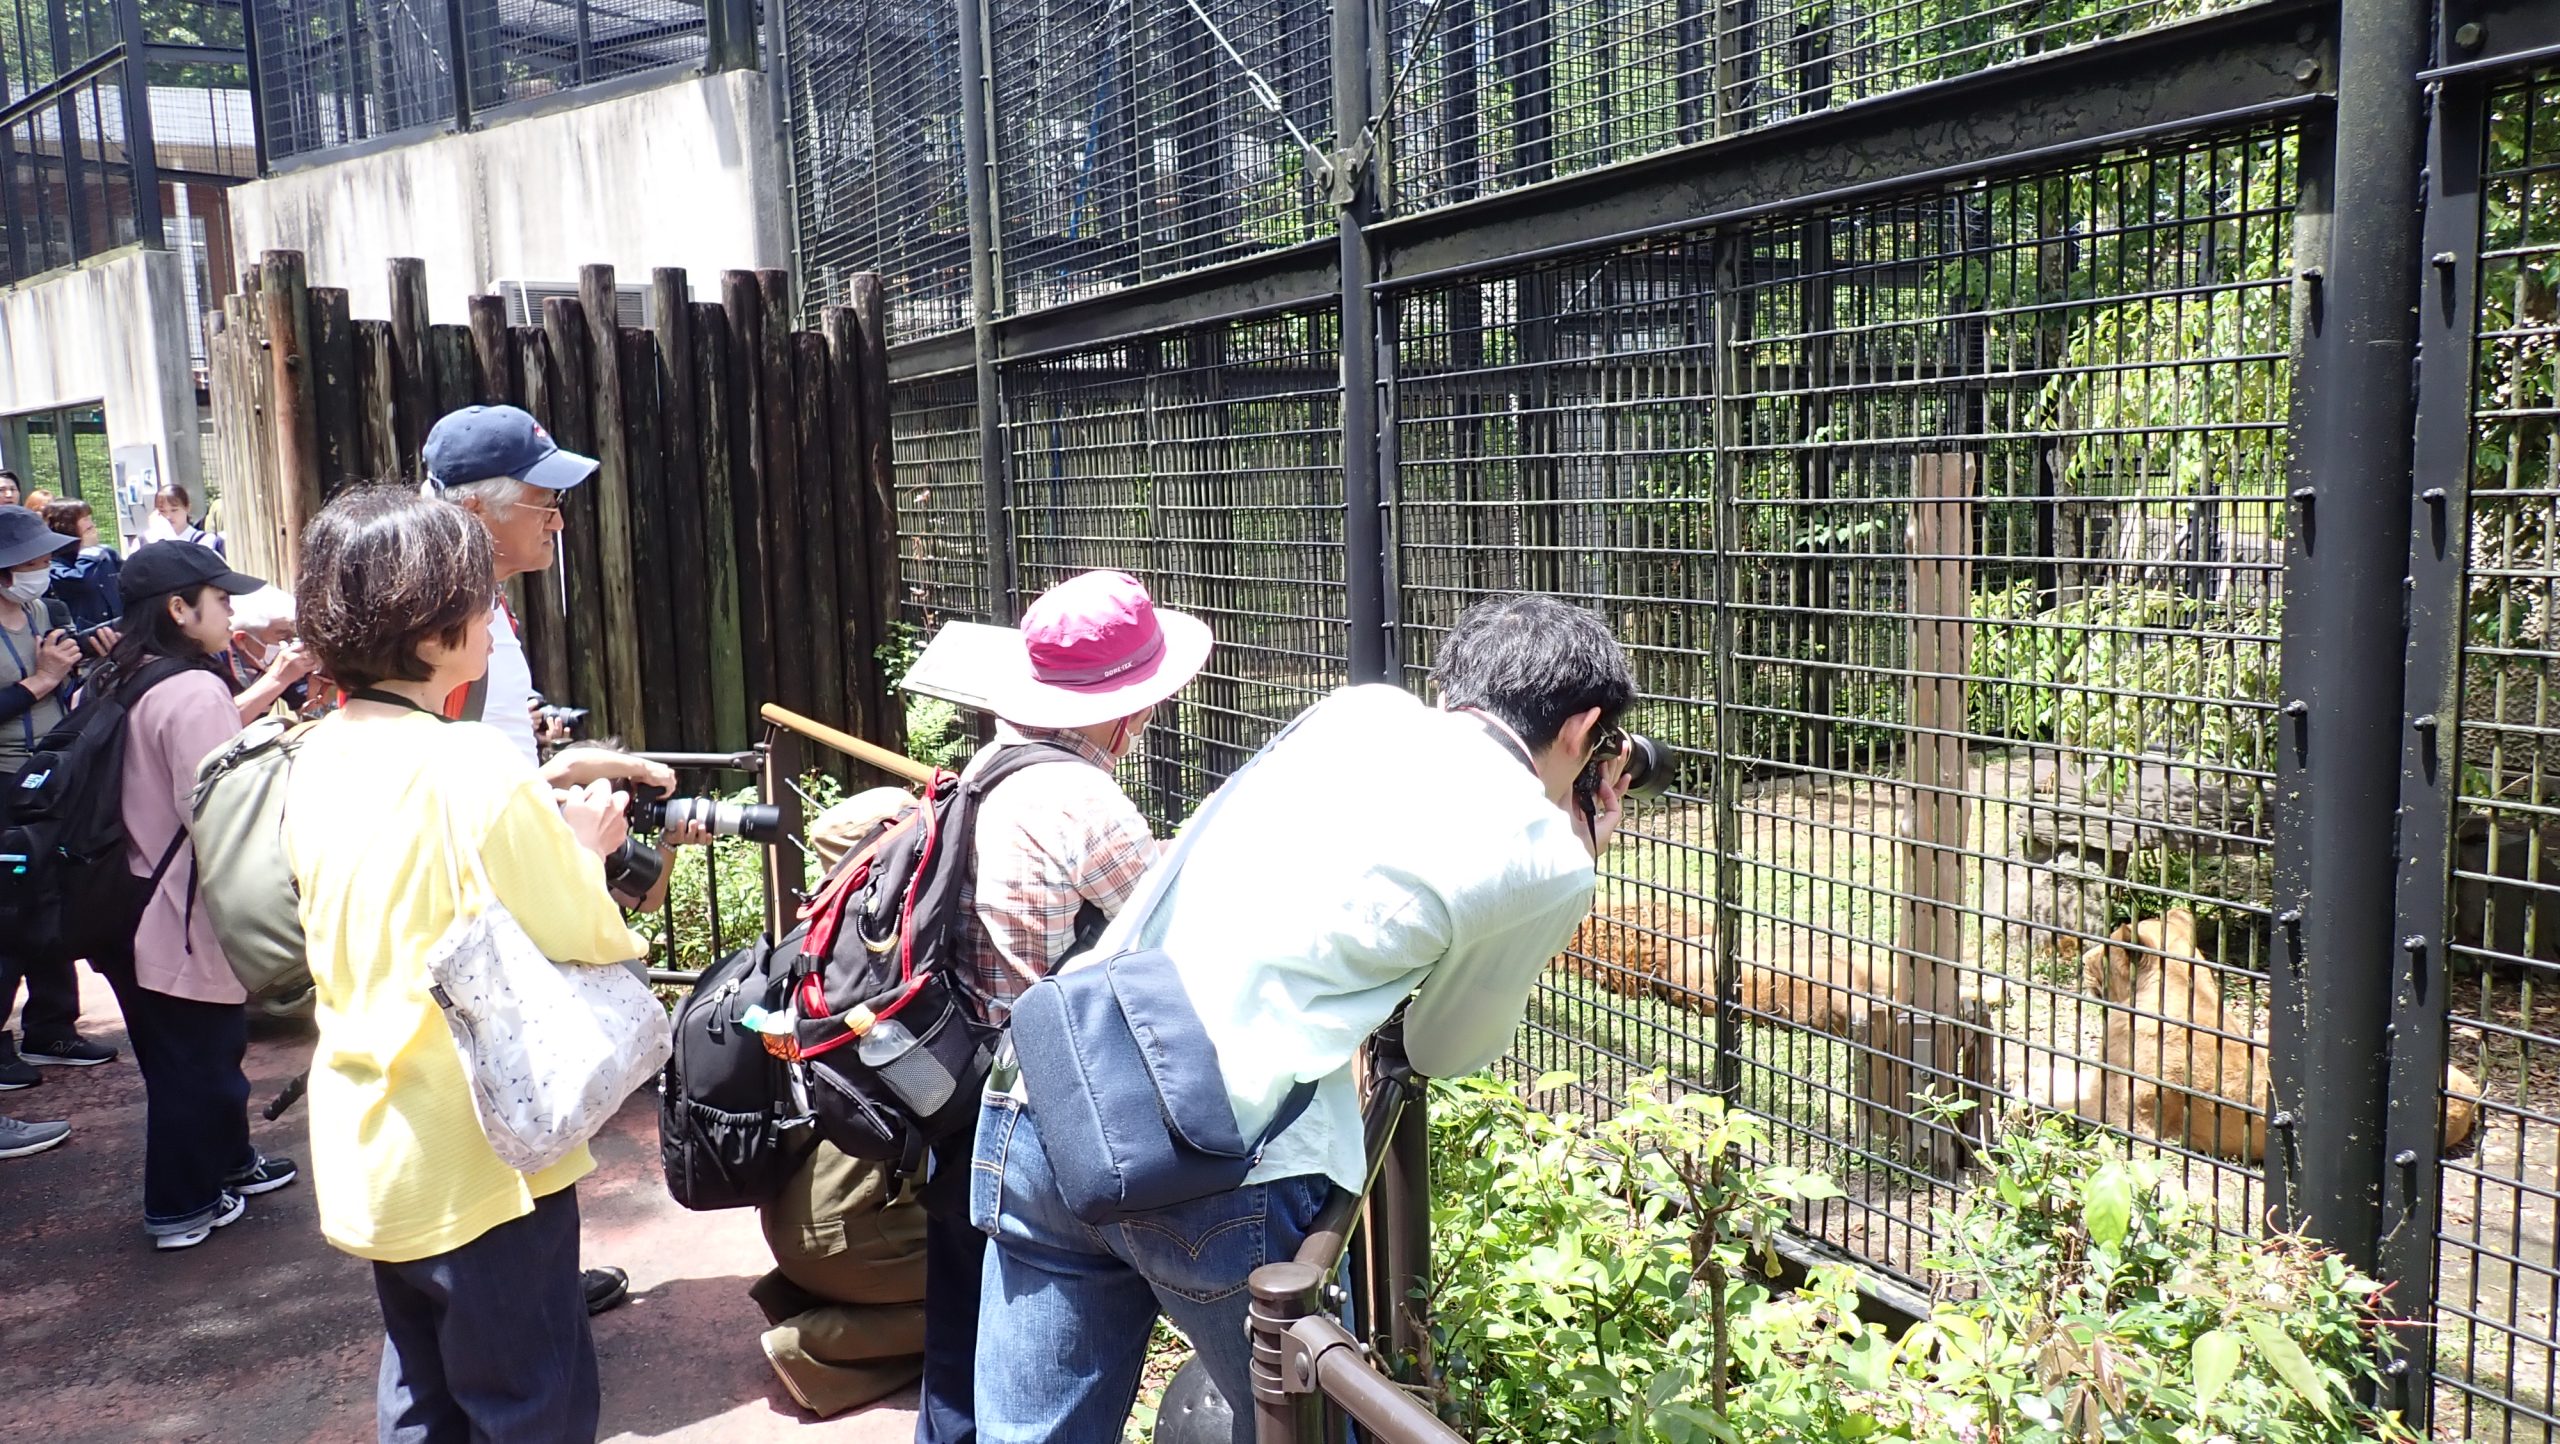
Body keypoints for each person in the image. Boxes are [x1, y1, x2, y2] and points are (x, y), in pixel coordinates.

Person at [970, 592, 1634, 1444]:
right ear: (1583, 728)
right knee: (1310, 1417)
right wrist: (1577, 851)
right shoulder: (1548, 859)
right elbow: (1443, 1046)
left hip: (1044, 1088)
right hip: (1208, 1155)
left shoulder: (1358, 712)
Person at [286, 485, 648, 1442]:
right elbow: (586, 931)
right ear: (437, 630)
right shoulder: (470, 766)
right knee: (530, 1401)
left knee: (421, 1392)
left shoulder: (313, 755)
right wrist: (590, 849)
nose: (494, 621)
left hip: (371, 1132)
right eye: (481, 602)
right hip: (480, 1142)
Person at [422, 402, 699, 1316]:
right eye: (543, 500)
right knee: (511, 1075)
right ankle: (518, 1307)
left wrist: (571, 767)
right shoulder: (450, 615)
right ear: (474, 510)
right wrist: (572, 836)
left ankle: (532, 1278)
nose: (558, 518)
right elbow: (456, 782)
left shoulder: (480, 607)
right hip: (490, 899)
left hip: (513, 857)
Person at [916, 568, 1206, 1444]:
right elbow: (1175, 941)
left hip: (954, 1079)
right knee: (1039, 1365)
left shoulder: (996, 760)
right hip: (1042, 1105)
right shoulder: (1085, 798)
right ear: (1127, 711)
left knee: (961, 1340)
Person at [88, 540, 301, 1250]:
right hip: (174, 914)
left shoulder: (125, 672)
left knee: (186, 1053)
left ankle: (228, 1164)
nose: (232, 610)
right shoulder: (193, 688)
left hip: (124, 897)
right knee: (197, 1062)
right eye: (221, 599)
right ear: (180, 610)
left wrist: (265, 692)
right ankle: (180, 1205)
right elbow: (222, 810)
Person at [752, 787, 938, 1418]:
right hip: (842, 1236)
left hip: (798, 1222)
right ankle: (814, 1343)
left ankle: (812, 1296)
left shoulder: (809, 956)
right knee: (991, 1282)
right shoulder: (883, 976)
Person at [0, 507, 118, 1090]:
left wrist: (87, 660)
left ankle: (52, 1026)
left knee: (54, 896)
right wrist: (39, 682)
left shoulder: (48, 611)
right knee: (10, 906)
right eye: (30, 562)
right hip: (4, 782)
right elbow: (40, 686)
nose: (43, 569)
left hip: (54, 774)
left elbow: (66, 684)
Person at [44, 498, 123, 630]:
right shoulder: (53, 565)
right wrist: (87, 551)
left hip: (118, 631)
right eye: (85, 519)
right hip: (84, 638)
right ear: (67, 526)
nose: (91, 525)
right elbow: (83, 581)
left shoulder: (105, 554)